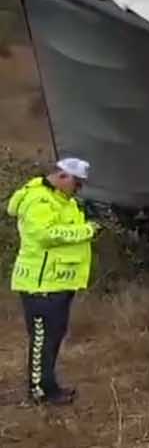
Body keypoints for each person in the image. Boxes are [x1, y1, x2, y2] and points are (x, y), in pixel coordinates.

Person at [9, 157, 97, 405]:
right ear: (62, 176)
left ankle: (50, 388)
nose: (78, 190)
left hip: (58, 282)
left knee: (54, 337)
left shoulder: (64, 201)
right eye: (77, 184)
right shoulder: (38, 199)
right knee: (41, 341)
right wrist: (87, 231)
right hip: (40, 285)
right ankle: (38, 392)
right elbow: (45, 235)